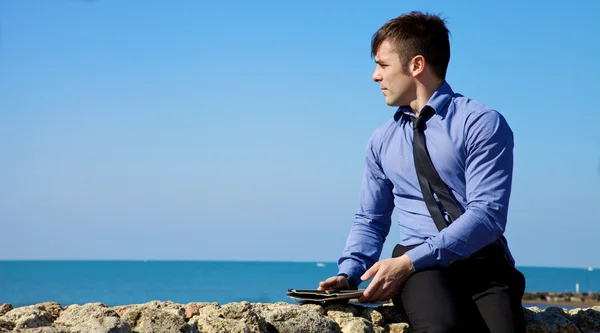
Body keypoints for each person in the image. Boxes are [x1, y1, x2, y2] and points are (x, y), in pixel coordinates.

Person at [318, 11, 526, 333]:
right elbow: (370, 219)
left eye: (383, 65)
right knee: (440, 328)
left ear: (416, 65)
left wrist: (407, 262)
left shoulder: (481, 123)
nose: (375, 76)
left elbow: (487, 215)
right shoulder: (381, 140)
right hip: (418, 269)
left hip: (483, 262)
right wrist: (349, 273)